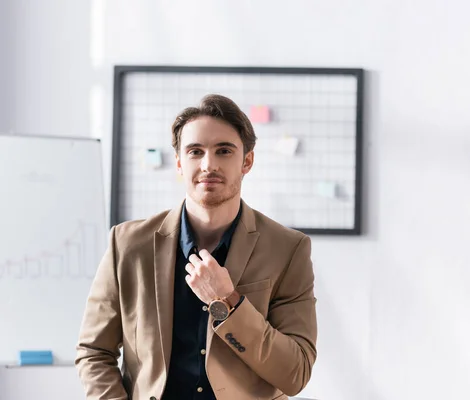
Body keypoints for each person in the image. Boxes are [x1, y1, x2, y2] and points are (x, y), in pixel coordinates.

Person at [75, 94, 318, 400]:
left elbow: (295, 372)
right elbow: (94, 351)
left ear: (247, 161)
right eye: (195, 151)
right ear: (179, 162)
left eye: (224, 151)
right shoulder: (127, 244)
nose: (208, 164)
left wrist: (228, 301)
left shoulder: (288, 249)